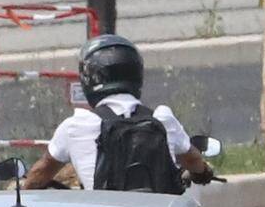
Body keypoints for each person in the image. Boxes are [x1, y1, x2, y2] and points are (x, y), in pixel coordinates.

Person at [41, 32, 210, 192]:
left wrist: (27, 189)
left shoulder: (76, 125)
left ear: (88, 80)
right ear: (137, 74)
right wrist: (203, 172)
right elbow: (193, 160)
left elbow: (41, 172)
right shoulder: (162, 118)